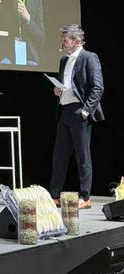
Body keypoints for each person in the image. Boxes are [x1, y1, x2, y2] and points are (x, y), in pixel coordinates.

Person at [49, 25, 104, 209]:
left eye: (65, 40)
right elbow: (66, 84)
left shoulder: (89, 58)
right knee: (59, 155)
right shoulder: (64, 60)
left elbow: (98, 87)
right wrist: (57, 90)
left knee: (82, 156)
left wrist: (86, 111)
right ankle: (54, 196)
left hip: (80, 111)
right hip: (64, 110)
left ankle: (85, 197)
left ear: (77, 41)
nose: (62, 43)